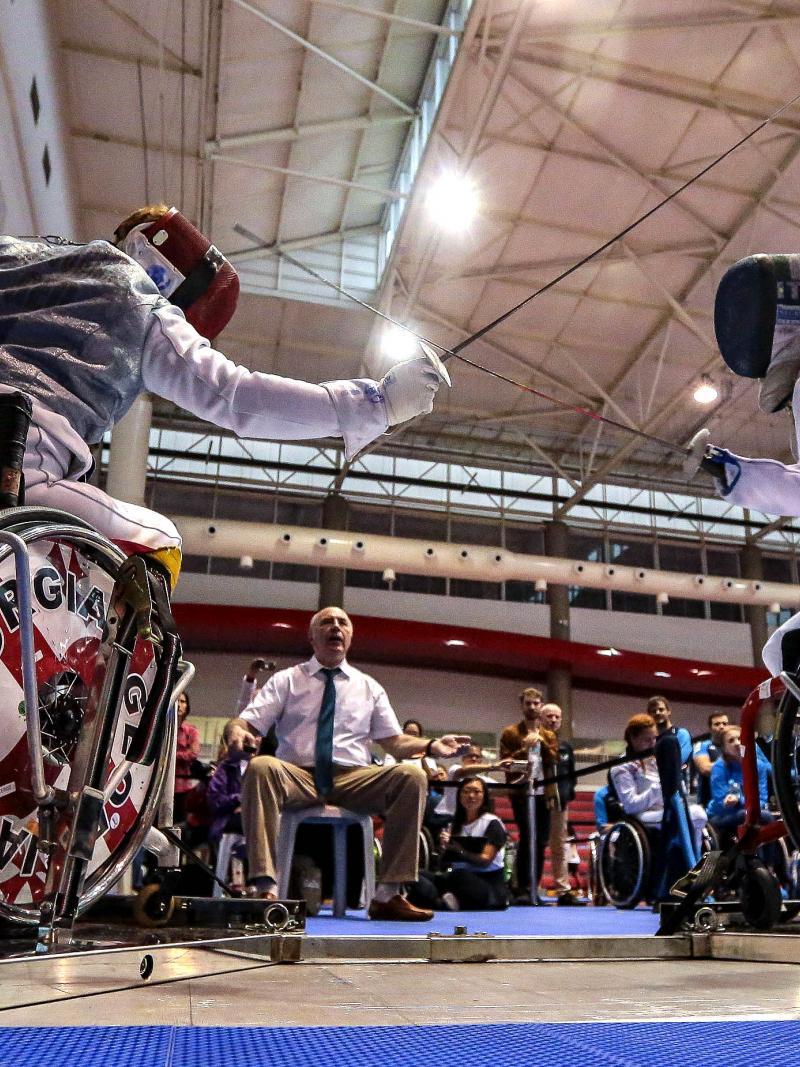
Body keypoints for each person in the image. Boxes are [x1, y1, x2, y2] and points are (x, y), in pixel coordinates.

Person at [0, 204, 444, 589]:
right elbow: (236, 396)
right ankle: (77, 684)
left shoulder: (24, 252)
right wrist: (378, 402)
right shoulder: (144, 306)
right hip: (20, 469)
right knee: (159, 542)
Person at [232, 606, 471, 921]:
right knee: (262, 766)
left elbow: (395, 742)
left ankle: (387, 895)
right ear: (312, 636)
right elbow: (246, 723)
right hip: (298, 776)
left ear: (350, 636)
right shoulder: (286, 680)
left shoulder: (368, 686)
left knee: (410, 777)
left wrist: (431, 745)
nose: (335, 627)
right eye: (326, 622)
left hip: (353, 778)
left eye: (342, 622)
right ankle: (265, 888)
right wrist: (235, 732)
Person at [407, 777, 509, 911]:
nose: (470, 796)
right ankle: (443, 902)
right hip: (456, 878)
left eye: (476, 792)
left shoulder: (492, 823)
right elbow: (444, 864)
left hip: (486, 884)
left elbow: (485, 861)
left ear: (484, 796)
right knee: (414, 874)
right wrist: (444, 848)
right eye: (466, 792)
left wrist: (459, 851)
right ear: (459, 795)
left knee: (459, 875)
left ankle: (441, 901)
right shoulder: (455, 823)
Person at [499, 687, 559, 905]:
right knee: (527, 837)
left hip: (544, 792)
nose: (532, 707)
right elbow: (505, 762)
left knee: (541, 840)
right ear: (522, 705)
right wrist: (524, 748)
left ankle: (534, 886)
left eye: (536, 703)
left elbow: (554, 760)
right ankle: (522, 887)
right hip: (521, 791)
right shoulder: (510, 733)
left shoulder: (549, 734)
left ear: (541, 705)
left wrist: (541, 742)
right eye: (528, 703)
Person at [540, 702, 584, 906]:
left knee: (559, 846)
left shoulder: (566, 747)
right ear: (542, 718)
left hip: (560, 803)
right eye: (549, 716)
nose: (553, 720)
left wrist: (566, 795)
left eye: (557, 716)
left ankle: (563, 890)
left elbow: (572, 775)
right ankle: (529, 888)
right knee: (536, 844)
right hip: (538, 800)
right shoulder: (536, 743)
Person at [707, 725, 772, 837]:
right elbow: (720, 801)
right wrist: (733, 802)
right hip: (720, 814)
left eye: (740, 739)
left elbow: (762, 799)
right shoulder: (719, 766)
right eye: (731, 741)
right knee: (747, 815)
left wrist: (739, 801)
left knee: (767, 818)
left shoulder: (759, 766)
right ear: (724, 748)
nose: (737, 743)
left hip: (749, 811)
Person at [206, 720, 260, 853]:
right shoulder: (226, 768)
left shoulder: (265, 769)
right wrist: (240, 799)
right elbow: (215, 801)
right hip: (228, 821)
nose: (254, 740)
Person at [173, 691, 200, 824]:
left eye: (183, 701)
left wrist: (171, 756)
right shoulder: (162, 728)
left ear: (187, 706)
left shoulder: (191, 731)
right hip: (160, 785)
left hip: (182, 787)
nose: (179, 705)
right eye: (177, 700)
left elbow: (192, 754)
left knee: (178, 825)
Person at [693, 712, 731, 807]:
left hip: (733, 801)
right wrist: (733, 763)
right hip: (708, 803)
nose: (721, 727)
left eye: (724, 724)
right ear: (710, 728)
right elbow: (705, 769)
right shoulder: (702, 745)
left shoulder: (735, 746)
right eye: (717, 724)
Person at [646, 696, 692, 766]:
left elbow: (680, 759)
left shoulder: (681, 733)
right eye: (653, 711)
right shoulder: (647, 738)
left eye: (661, 709)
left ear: (669, 711)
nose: (657, 713)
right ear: (649, 715)